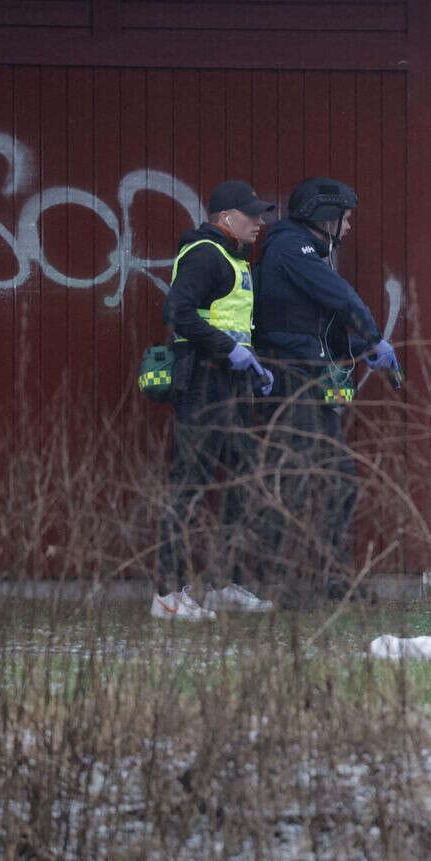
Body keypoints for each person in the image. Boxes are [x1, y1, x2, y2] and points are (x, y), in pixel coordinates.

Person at [250, 177, 400, 607]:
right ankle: (284, 584)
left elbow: (316, 329)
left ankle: (334, 578)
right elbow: (341, 298)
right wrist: (372, 336)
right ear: (325, 217)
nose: (350, 227)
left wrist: (359, 350)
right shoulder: (290, 249)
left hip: (311, 375)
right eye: (346, 219)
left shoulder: (309, 253)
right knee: (296, 480)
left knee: (337, 480)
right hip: (292, 378)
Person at [153, 180, 277, 620]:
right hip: (203, 384)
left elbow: (230, 322)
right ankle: (167, 596)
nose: (260, 222)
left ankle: (226, 584)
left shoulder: (232, 257)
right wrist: (229, 351)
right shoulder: (206, 253)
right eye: (253, 214)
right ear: (226, 218)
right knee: (189, 485)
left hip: (230, 385)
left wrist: (253, 365)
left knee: (243, 480)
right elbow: (177, 312)